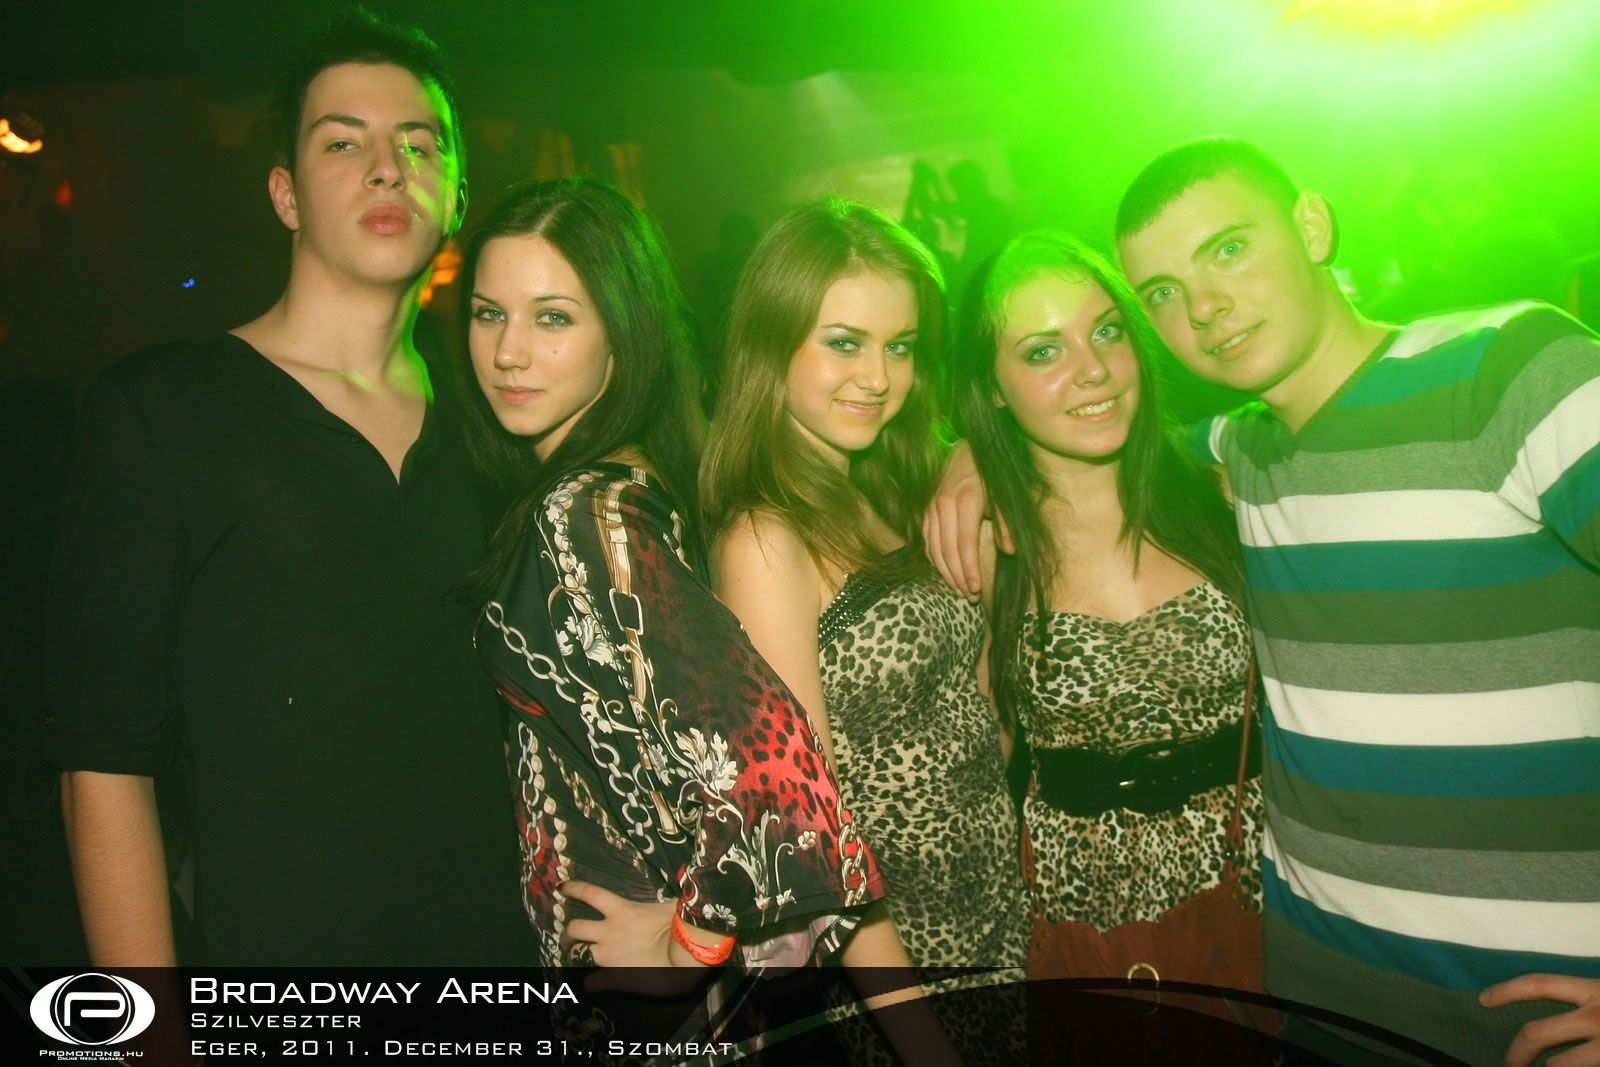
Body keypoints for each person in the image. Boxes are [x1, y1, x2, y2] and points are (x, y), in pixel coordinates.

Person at [930, 137, 1600, 1067]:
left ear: (1313, 225)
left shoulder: (1506, 372)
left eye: (1230, 249)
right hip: (1316, 1002)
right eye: (1162, 292)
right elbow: (1081, 439)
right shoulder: (1239, 455)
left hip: (1534, 1011)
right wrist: (970, 452)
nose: (1204, 306)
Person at [43, 10, 532, 966]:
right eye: (343, 143)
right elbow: (101, 760)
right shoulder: (163, 412)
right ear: (286, 195)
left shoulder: (499, 427)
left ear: (459, 193)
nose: (387, 168)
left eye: (418, 143)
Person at [457, 177, 949, 1009]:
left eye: (553, 318)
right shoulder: (644, 481)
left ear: (624, 334)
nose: (509, 351)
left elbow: (781, 783)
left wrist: (686, 944)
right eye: (487, 313)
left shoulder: (591, 512)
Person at [694, 198, 1026, 1060]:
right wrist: (923, 1044)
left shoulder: (891, 478)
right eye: (844, 342)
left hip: (1002, 912)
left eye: (900, 346)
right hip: (903, 962)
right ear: (771, 343)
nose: (879, 377)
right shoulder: (766, 537)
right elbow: (817, 835)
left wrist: (972, 456)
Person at [950, 228, 1262, 1004]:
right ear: (992, 386)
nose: (1092, 369)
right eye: (1042, 351)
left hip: (1262, 895)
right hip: (1092, 928)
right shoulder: (986, 540)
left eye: (1108, 332)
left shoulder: (1224, 491)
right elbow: (981, 761)